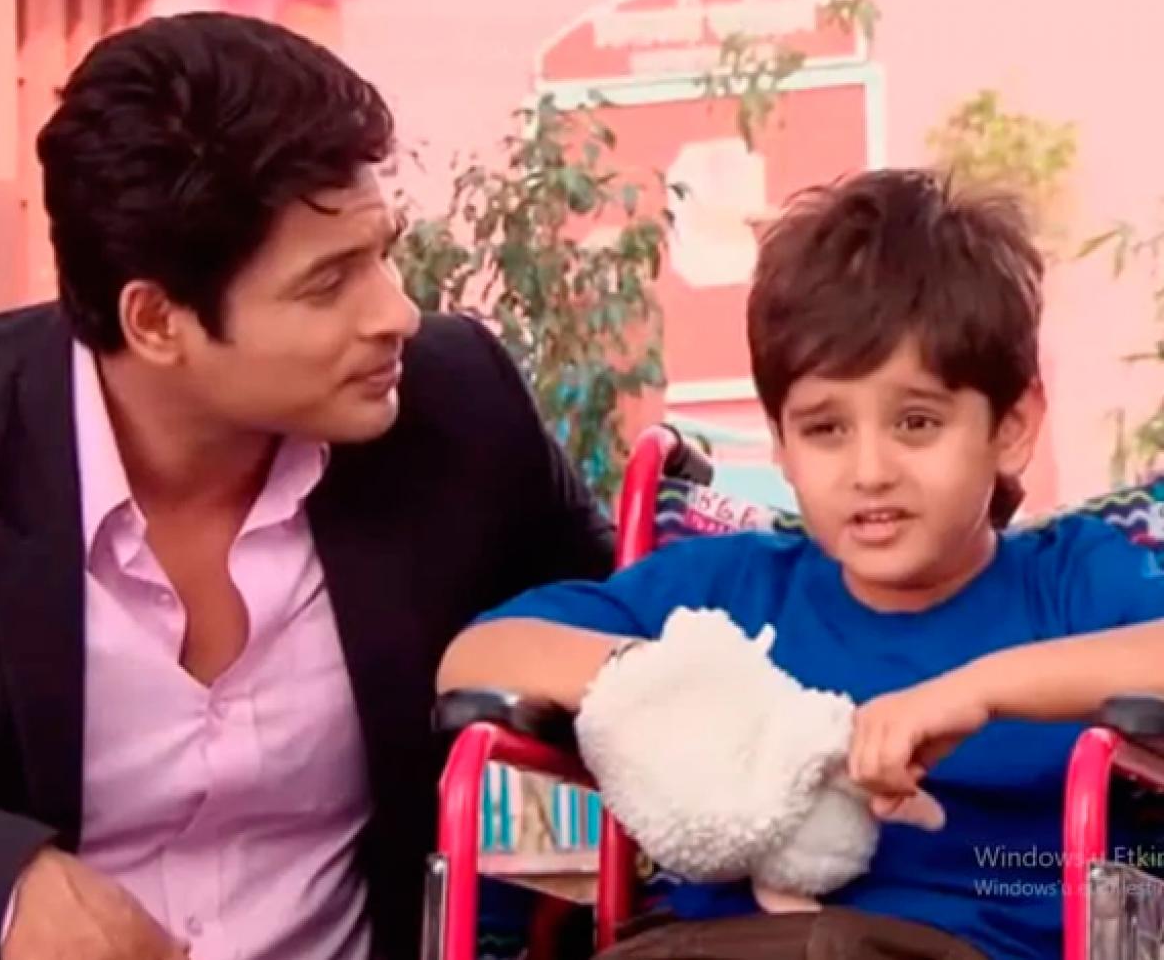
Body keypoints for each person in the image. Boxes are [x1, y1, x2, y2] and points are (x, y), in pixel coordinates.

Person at [0, 12, 613, 960]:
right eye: (328, 283)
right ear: (156, 321)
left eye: (383, 251)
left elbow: (622, 624)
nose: (397, 312)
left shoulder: (459, 409)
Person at [438, 169, 1164, 960]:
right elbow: (476, 655)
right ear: (780, 444)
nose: (870, 470)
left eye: (916, 422)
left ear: (1012, 427)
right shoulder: (722, 592)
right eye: (825, 429)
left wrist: (979, 692)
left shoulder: (1073, 587)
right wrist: (681, 688)